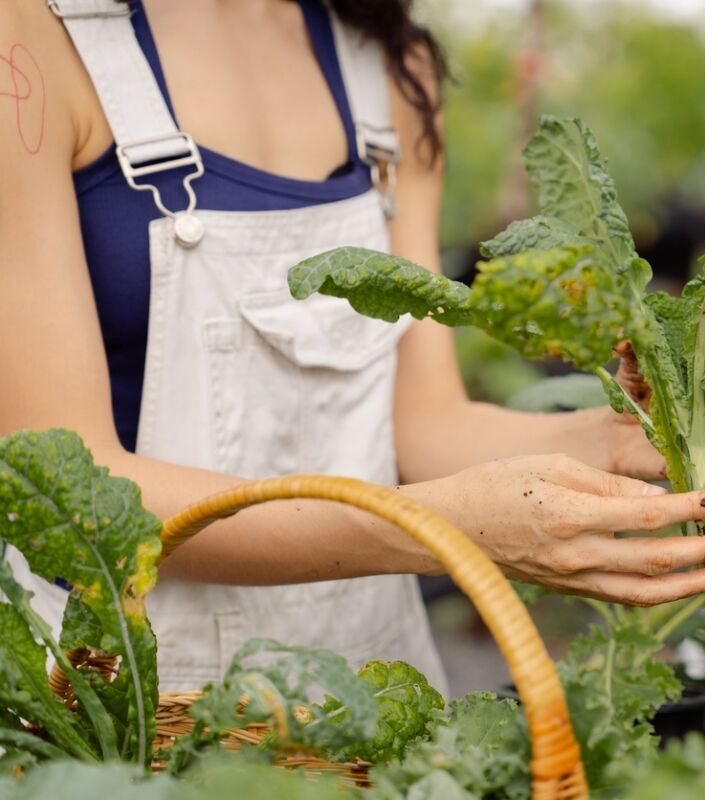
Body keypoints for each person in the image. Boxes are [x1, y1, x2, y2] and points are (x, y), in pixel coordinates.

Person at [2, 0, 705, 693]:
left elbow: (421, 426)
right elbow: (67, 495)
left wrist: (622, 443)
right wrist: (433, 528)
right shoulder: (31, 42)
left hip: (370, 689)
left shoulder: (389, 66)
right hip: (131, 702)